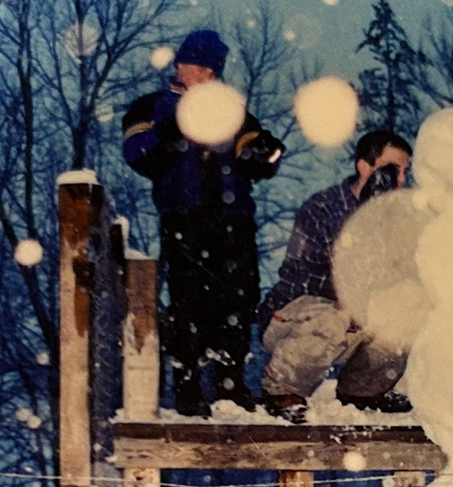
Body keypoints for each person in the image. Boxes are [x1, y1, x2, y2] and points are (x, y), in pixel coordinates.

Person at [122, 28, 285, 416]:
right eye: (199, 66)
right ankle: (188, 385)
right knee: (187, 301)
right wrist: (176, 127)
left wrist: (265, 151)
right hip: (184, 219)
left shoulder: (233, 110)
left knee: (240, 298)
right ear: (180, 64)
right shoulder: (152, 106)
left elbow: (257, 155)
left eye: (214, 70)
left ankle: (231, 383)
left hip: (234, 220)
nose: (207, 76)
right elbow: (139, 155)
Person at [254, 129, 414, 424]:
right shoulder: (323, 209)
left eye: (405, 171)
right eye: (393, 169)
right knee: (333, 317)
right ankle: (281, 391)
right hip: (293, 316)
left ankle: (364, 391)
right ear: (364, 166)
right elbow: (299, 276)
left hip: (356, 319)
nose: (401, 180)